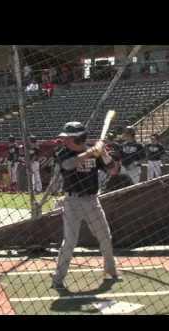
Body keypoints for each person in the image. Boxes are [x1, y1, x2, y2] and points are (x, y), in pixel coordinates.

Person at [51, 121, 119, 290]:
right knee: (70, 241)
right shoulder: (63, 153)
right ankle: (58, 279)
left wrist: (103, 154)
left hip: (92, 200)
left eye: (68, 138)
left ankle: (110, 270)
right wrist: (91, 152)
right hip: (72, 202)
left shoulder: (95, 151)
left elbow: (113, 171)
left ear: (78, 138)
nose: (64, 141)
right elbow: (68, 164)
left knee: (105, 236)